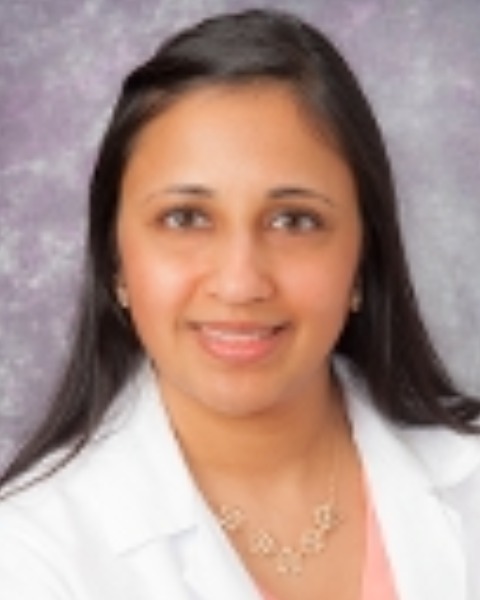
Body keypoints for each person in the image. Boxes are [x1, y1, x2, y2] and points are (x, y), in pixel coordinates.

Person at [0, 8, 479, 600]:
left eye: (294, 220)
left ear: (363, 258)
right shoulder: (28, 558)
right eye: (185, 218)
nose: (240, 283)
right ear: (116, 262)